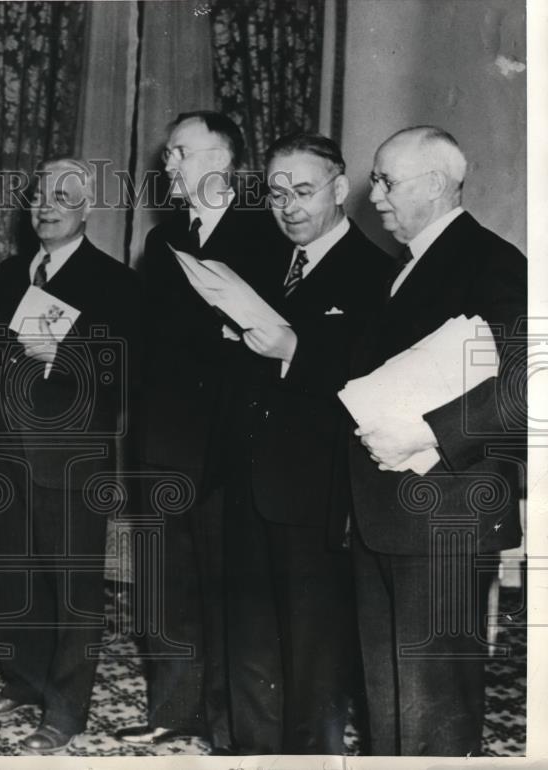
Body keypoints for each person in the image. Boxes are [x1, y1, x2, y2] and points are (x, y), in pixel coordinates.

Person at [350, 126, 525, 755]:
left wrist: (424, 432)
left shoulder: (492, 261)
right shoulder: (409, 267)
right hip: (388, 515)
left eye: (385, 181)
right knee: (390, 704)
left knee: (433, 711)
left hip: (445, 518)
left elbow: (528, 389)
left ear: (432, 184)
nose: (373, 197)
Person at [115, 111, 286, 754]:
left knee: (226, 588)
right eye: (167, 155)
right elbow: (146, 344)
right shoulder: (162, 245)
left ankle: (226, 722)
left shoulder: (265, 237)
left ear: (221, 159)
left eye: (178, 152)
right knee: (167, 581)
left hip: (227, 445)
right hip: (163, 444)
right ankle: (173, 710)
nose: (168, 164)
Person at [221, 132, 390, 753]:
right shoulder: (261, 265)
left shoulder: (378, 275)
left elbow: (374, 383)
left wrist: (294, 351)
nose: (288, 205)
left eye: (303, 191)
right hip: (247, 482)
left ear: (340, 190)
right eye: (276, 192)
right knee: (251, 641)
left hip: (319, 495)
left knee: (314, 653)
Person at [0, 158, 140, 752]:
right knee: (13, 573)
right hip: (7, 452)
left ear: (86, 208)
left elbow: (124, 371)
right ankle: (24, 683)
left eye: (62, 196)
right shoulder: (13, 272)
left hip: (71, 458)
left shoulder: (114, 280)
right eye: (39, 195)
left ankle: (66, 711)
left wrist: (60, 352)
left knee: (73, 586)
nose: (46, 205)